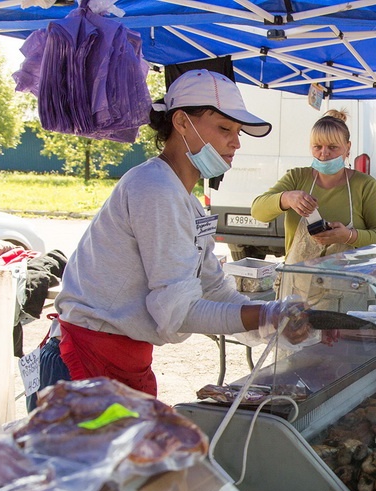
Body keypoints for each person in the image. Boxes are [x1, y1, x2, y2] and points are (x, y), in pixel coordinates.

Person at [33, 70, 312, 407]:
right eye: (225, 129)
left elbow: (214, 289)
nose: (235, 143)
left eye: (238, 133)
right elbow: (177, 313)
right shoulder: (153, 189)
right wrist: (268, 315)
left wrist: (271, 324)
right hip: (83, 363)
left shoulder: (188, 202)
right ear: (181, 122)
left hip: (123, 360)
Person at [250, 110, 376, 262]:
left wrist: (349, 236)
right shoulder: (297, 178)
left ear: (347, 148)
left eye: (333, 147)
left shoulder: (365, 185)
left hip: (347, 282)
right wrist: (286, 198)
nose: (324, 153)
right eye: (317, 146)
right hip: (298, 280)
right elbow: (257, 212)